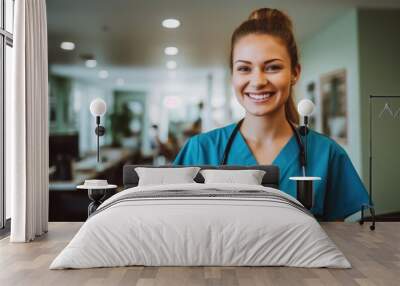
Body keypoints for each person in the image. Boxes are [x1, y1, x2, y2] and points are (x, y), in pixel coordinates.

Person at [173, 8, 369, 220]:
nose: (258, 81)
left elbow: (337, 238)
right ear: (233, 75)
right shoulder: (200, 150)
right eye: (244, 69)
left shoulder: (327, 154)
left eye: (272, 67)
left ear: (295, 73)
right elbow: (172, 225)